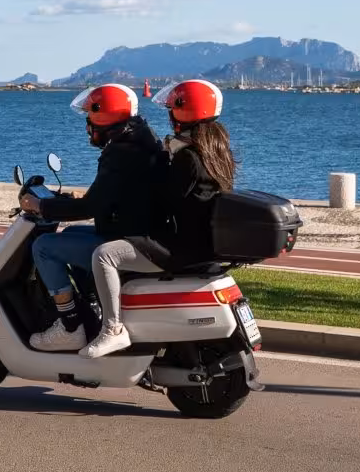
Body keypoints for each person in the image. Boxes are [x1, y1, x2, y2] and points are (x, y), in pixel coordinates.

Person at [79, 78, 237, 358]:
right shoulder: (216, 148)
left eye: (171, 109)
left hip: (180, 247)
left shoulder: (189, 157)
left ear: (183, 110)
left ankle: (112, 329)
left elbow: (164, 199)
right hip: (201, 243)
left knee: (105, 255)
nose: (168, 114)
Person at [19, 83, 164, 352]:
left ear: (102, 114)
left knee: (45, 248)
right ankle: (92, 305)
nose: (87, 124)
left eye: (89, 116)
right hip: (136, 229)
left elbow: (92, 208)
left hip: (131, 238)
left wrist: (41, 206)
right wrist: (72, 202)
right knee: (70, 236)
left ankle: (71, 326)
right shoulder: (140, 140)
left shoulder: (121, 151)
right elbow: (115, 193)